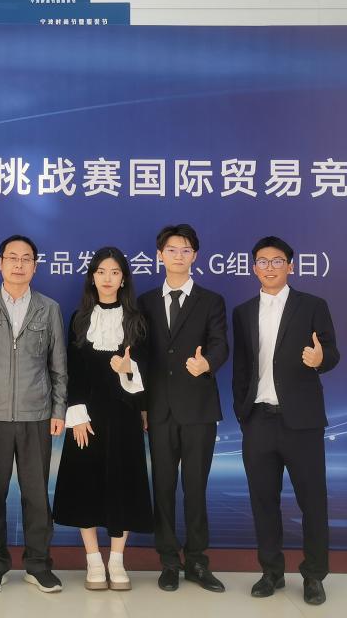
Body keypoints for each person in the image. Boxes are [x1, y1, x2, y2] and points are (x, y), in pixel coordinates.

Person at [231, 236, 340, 607]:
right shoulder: (243, 312)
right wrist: (243, 412)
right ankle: (271, 572)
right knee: (263, 501)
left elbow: (332, 352)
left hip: (302, 422)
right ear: (254, 268)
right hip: (259, 420)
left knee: (313, 502)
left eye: (277, 261)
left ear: (290, 266)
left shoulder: (313, 306)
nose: (270, 267)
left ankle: (314, 575)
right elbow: (242, 367)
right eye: (262, 261)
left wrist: (320, 359)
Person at [0, 234, 68, 594]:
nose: (18, 264)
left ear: (35, 266)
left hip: (37, 414)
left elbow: (59, 366)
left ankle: (38, 565)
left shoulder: (49, 308)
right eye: (12, 258)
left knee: (36, 495)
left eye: (26, 259)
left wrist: (58, 409)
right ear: (0, 263)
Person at [52, 247, 152, 591]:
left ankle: (117, 560)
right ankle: (93, 559)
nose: (107, 278)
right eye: (101, 272)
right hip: (87, 416)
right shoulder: (79, 318)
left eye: (114, 272)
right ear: (92, 277)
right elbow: (71, 371)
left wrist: (128, 368)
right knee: (86, 484)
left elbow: (145, 373)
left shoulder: (137, 320)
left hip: (124, 415)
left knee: (122, 483)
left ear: (123, 278)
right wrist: (76, 415)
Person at [136, 223, 228, 593]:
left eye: (185, 250)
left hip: (199, 409)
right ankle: (169, 562)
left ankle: (198, 561)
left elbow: (220, 344)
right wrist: (142, 404)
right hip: (158, 410)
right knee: (162, 487)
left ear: (195, 256)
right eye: (172, 250)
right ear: (160, 255)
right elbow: (141, 356)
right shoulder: (144, 302)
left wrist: (208, 364)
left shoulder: (211, 301)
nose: (178, 255)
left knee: (195, 487)